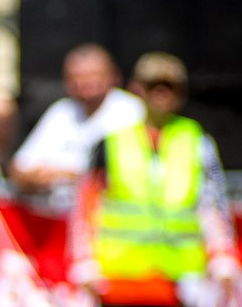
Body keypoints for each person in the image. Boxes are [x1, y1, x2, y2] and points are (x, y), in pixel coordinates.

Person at [69, 52, 238, 307]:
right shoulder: (112, 141)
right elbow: (87, 205)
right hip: (123, 270)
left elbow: (212, 203)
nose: (162, 96)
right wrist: (85, 264)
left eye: (171, 87)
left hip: (175, 271)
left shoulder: (194, 140)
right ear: (139, 90)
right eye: (153, 86)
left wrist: (222, 257)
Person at [10, 44, 144, 202]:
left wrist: (60, 175)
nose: (84, 83)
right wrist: (35, 178)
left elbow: (119, 176)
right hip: (61, 217)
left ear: (113, 76)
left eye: (93, 75)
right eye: (76, 76)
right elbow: (18, 168)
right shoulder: (61, 111)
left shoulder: (131, 110)